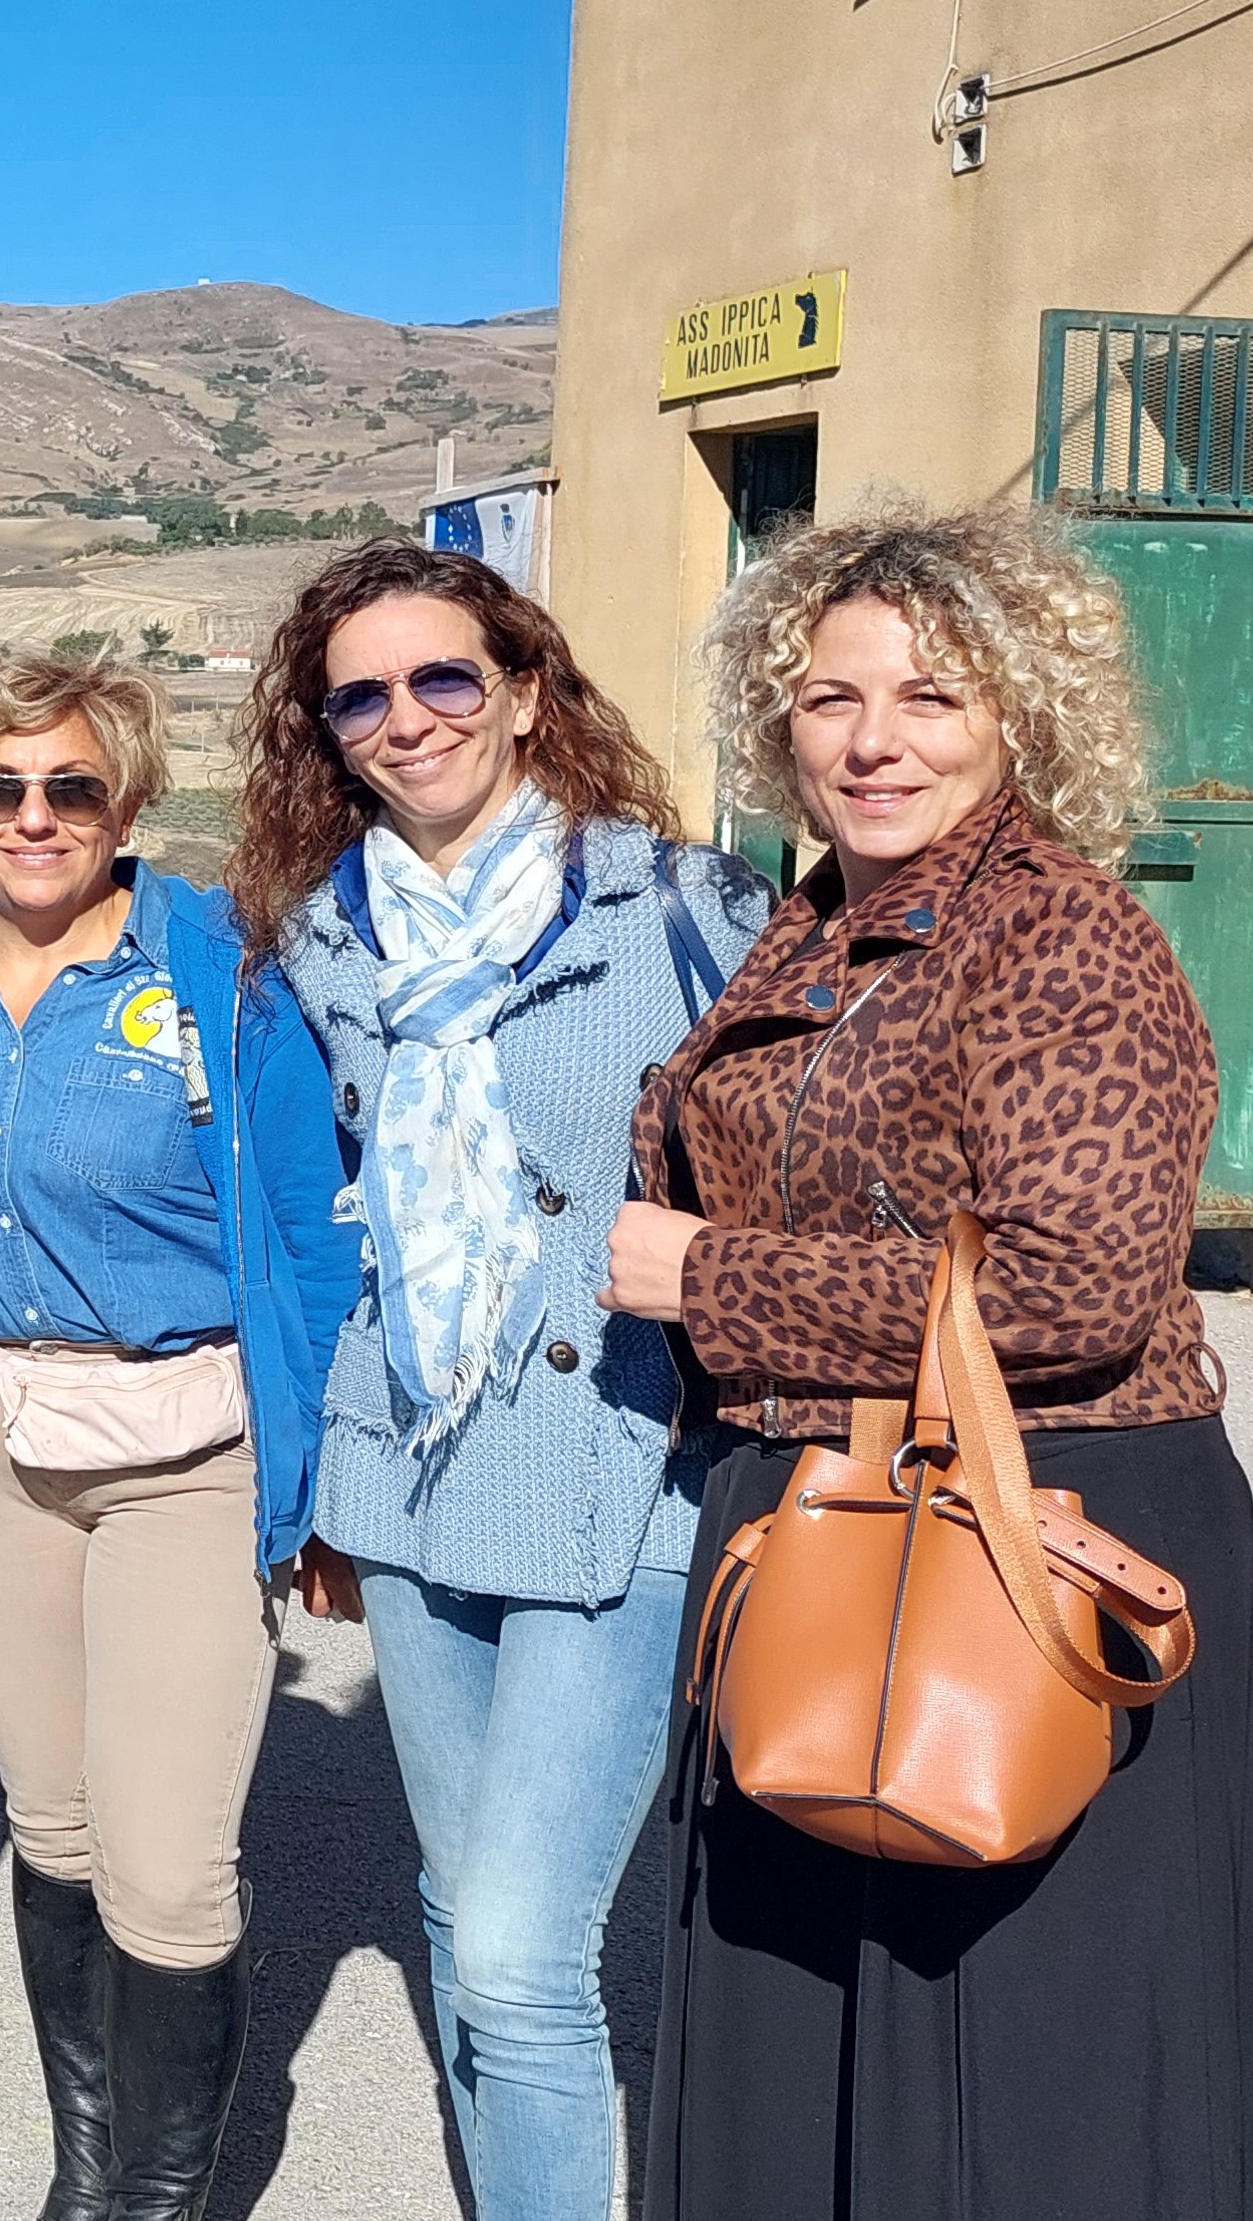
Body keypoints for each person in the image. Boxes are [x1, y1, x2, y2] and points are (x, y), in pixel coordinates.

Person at [615, 506, 1253, 2221]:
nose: (872, 739)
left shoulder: (1063, 935)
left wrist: (709, 1274)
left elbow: (1076, 1281)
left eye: (929, 696)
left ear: (1020, 719)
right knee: (800, 2003)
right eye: (832, 699)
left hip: (1035, 1519)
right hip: (827, 1501)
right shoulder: (815, 920)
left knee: (1024, 2052)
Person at [222, 543, 766, 2221]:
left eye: (444, 677)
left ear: (523, 691)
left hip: (618, 1463)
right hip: (409, 1467)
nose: (408, 719)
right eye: (362, 695)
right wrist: (297, 1486)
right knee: (460, 1908)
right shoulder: (316, 942)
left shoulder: (685, 907)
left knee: (523, 1954)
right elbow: (308, 1237)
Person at [0, 647, 360, 2221]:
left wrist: (325, 1475)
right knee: (50, 1822)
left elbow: (308, 1233)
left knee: (165, 1863)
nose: (34, 814)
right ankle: (88, 2163)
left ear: (126, 800)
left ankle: (159, 2199)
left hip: (183, 1450)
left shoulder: (220, 970)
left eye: (71, 784)